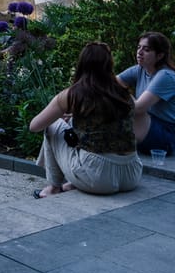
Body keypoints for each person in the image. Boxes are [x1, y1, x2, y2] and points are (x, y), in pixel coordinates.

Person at [29, 42, 141, 197]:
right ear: (109, 64)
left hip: (98, 177)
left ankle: (54, 187)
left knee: (53, 124)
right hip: (131, 173)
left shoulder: (74, 94)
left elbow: (35, 126)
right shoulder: (123, 94)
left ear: (81, 64)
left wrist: (61, 112)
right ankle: (73, 184)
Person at [117, 32, 175, 154]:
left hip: (165, 136)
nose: (140, 52)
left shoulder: (165, 76)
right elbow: (108, 83)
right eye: (139, 47)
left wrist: (122, 91)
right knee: (105, 93)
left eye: (147, 49)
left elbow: (138, 109)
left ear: (159, 56)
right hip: (147, 127)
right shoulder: (140, 69)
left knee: (123, 106)